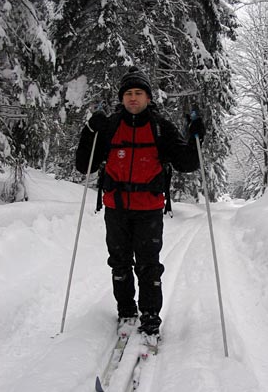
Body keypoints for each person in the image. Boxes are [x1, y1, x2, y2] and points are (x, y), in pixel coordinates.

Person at [76, 66, 204, 339]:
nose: (133, 98)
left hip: (149, 209)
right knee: (119, 263)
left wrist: (196, 137)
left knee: (148, 266)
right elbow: (82, 165)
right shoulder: (110, 126)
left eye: (139, 93)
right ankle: (126, 311)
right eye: (128, 94)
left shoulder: (161, 128)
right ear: (122, 98)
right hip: (116, 208)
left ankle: (150, 316)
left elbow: (187, 163)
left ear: (148, 98)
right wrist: (89, 131)